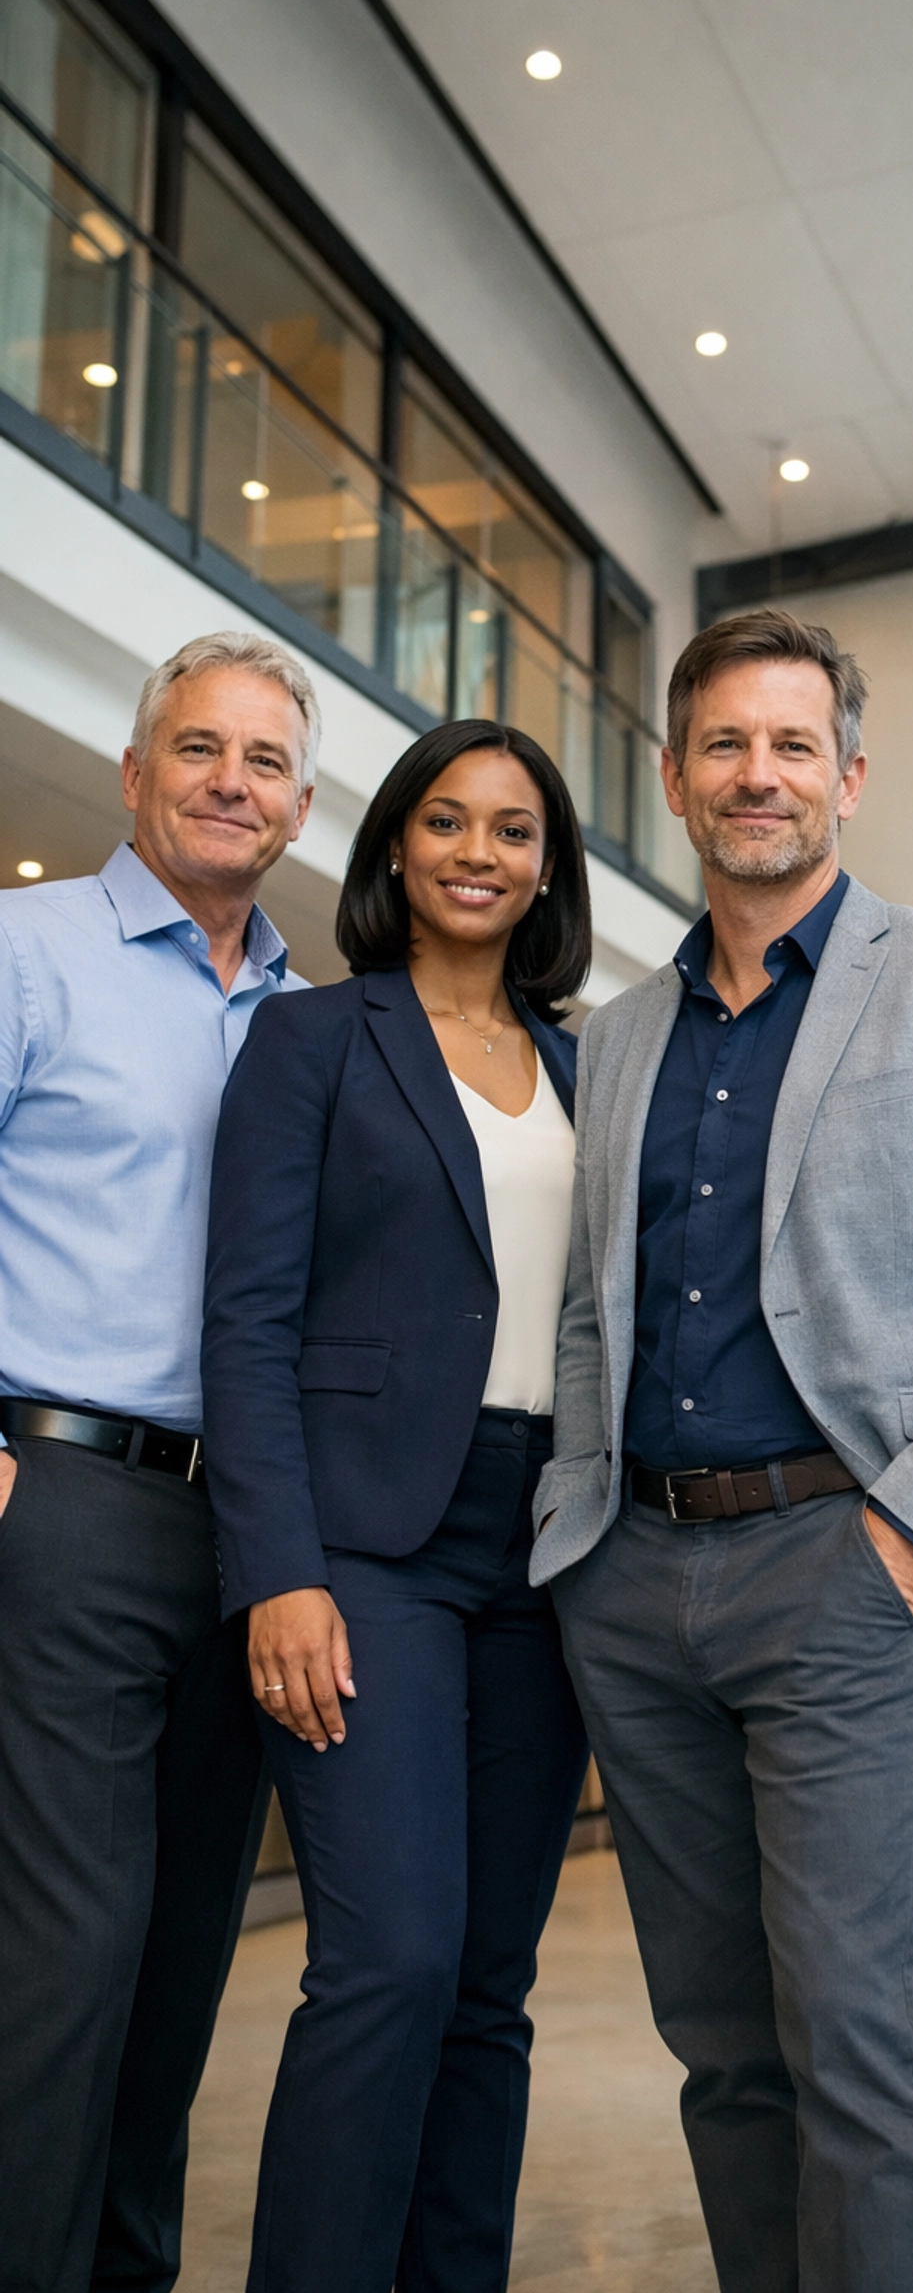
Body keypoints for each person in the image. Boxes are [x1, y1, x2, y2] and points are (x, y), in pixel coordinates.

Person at [530, 607, 913, 2293]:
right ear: (674, 779)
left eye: (792, 744)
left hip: (844, 1572)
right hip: (636, 1582)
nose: (756, 774)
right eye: (725, 744)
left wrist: (909, 1535)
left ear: (847, 778)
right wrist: (583, 1533)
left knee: (862, 2041)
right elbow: (591, 1310)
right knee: (722, 2046)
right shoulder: (620, 1036)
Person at [200, 719, 592, 2293]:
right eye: (447, 823)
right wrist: (276, 1570)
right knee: (389, 1962)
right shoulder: (313, 1040)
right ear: (393, 851)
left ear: (547, 863)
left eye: (511, 829)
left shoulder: (586, 1059)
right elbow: (246, 1320)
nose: (478, 854)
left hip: (546, 1547)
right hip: (368, 1546)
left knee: (491, 1982)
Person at [0, 630, 316, 2293]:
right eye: (199, 749)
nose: (228, 782)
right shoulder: (27, 948)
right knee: (65, 1955)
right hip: (59, 1497)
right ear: (135, 776)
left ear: (301, 806)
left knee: (188, 1951)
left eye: (263, 763)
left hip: (246, 1526)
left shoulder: (311, 1015)